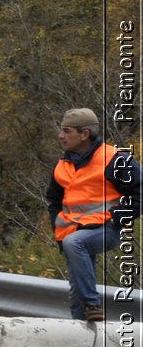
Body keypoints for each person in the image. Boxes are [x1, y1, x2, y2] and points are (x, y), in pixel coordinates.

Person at [46, 107, 139, 322]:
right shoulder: (62, 166)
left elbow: (141, 191)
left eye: (66, 131)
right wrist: (59, 232)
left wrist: (118, 217)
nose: (61, 136)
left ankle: (92, 303)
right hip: (74, 232)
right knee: (76, 288)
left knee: (75, 244)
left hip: (106, 229)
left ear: (84, 134)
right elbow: (54, 202)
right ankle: (82, 337)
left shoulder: (113, 160)